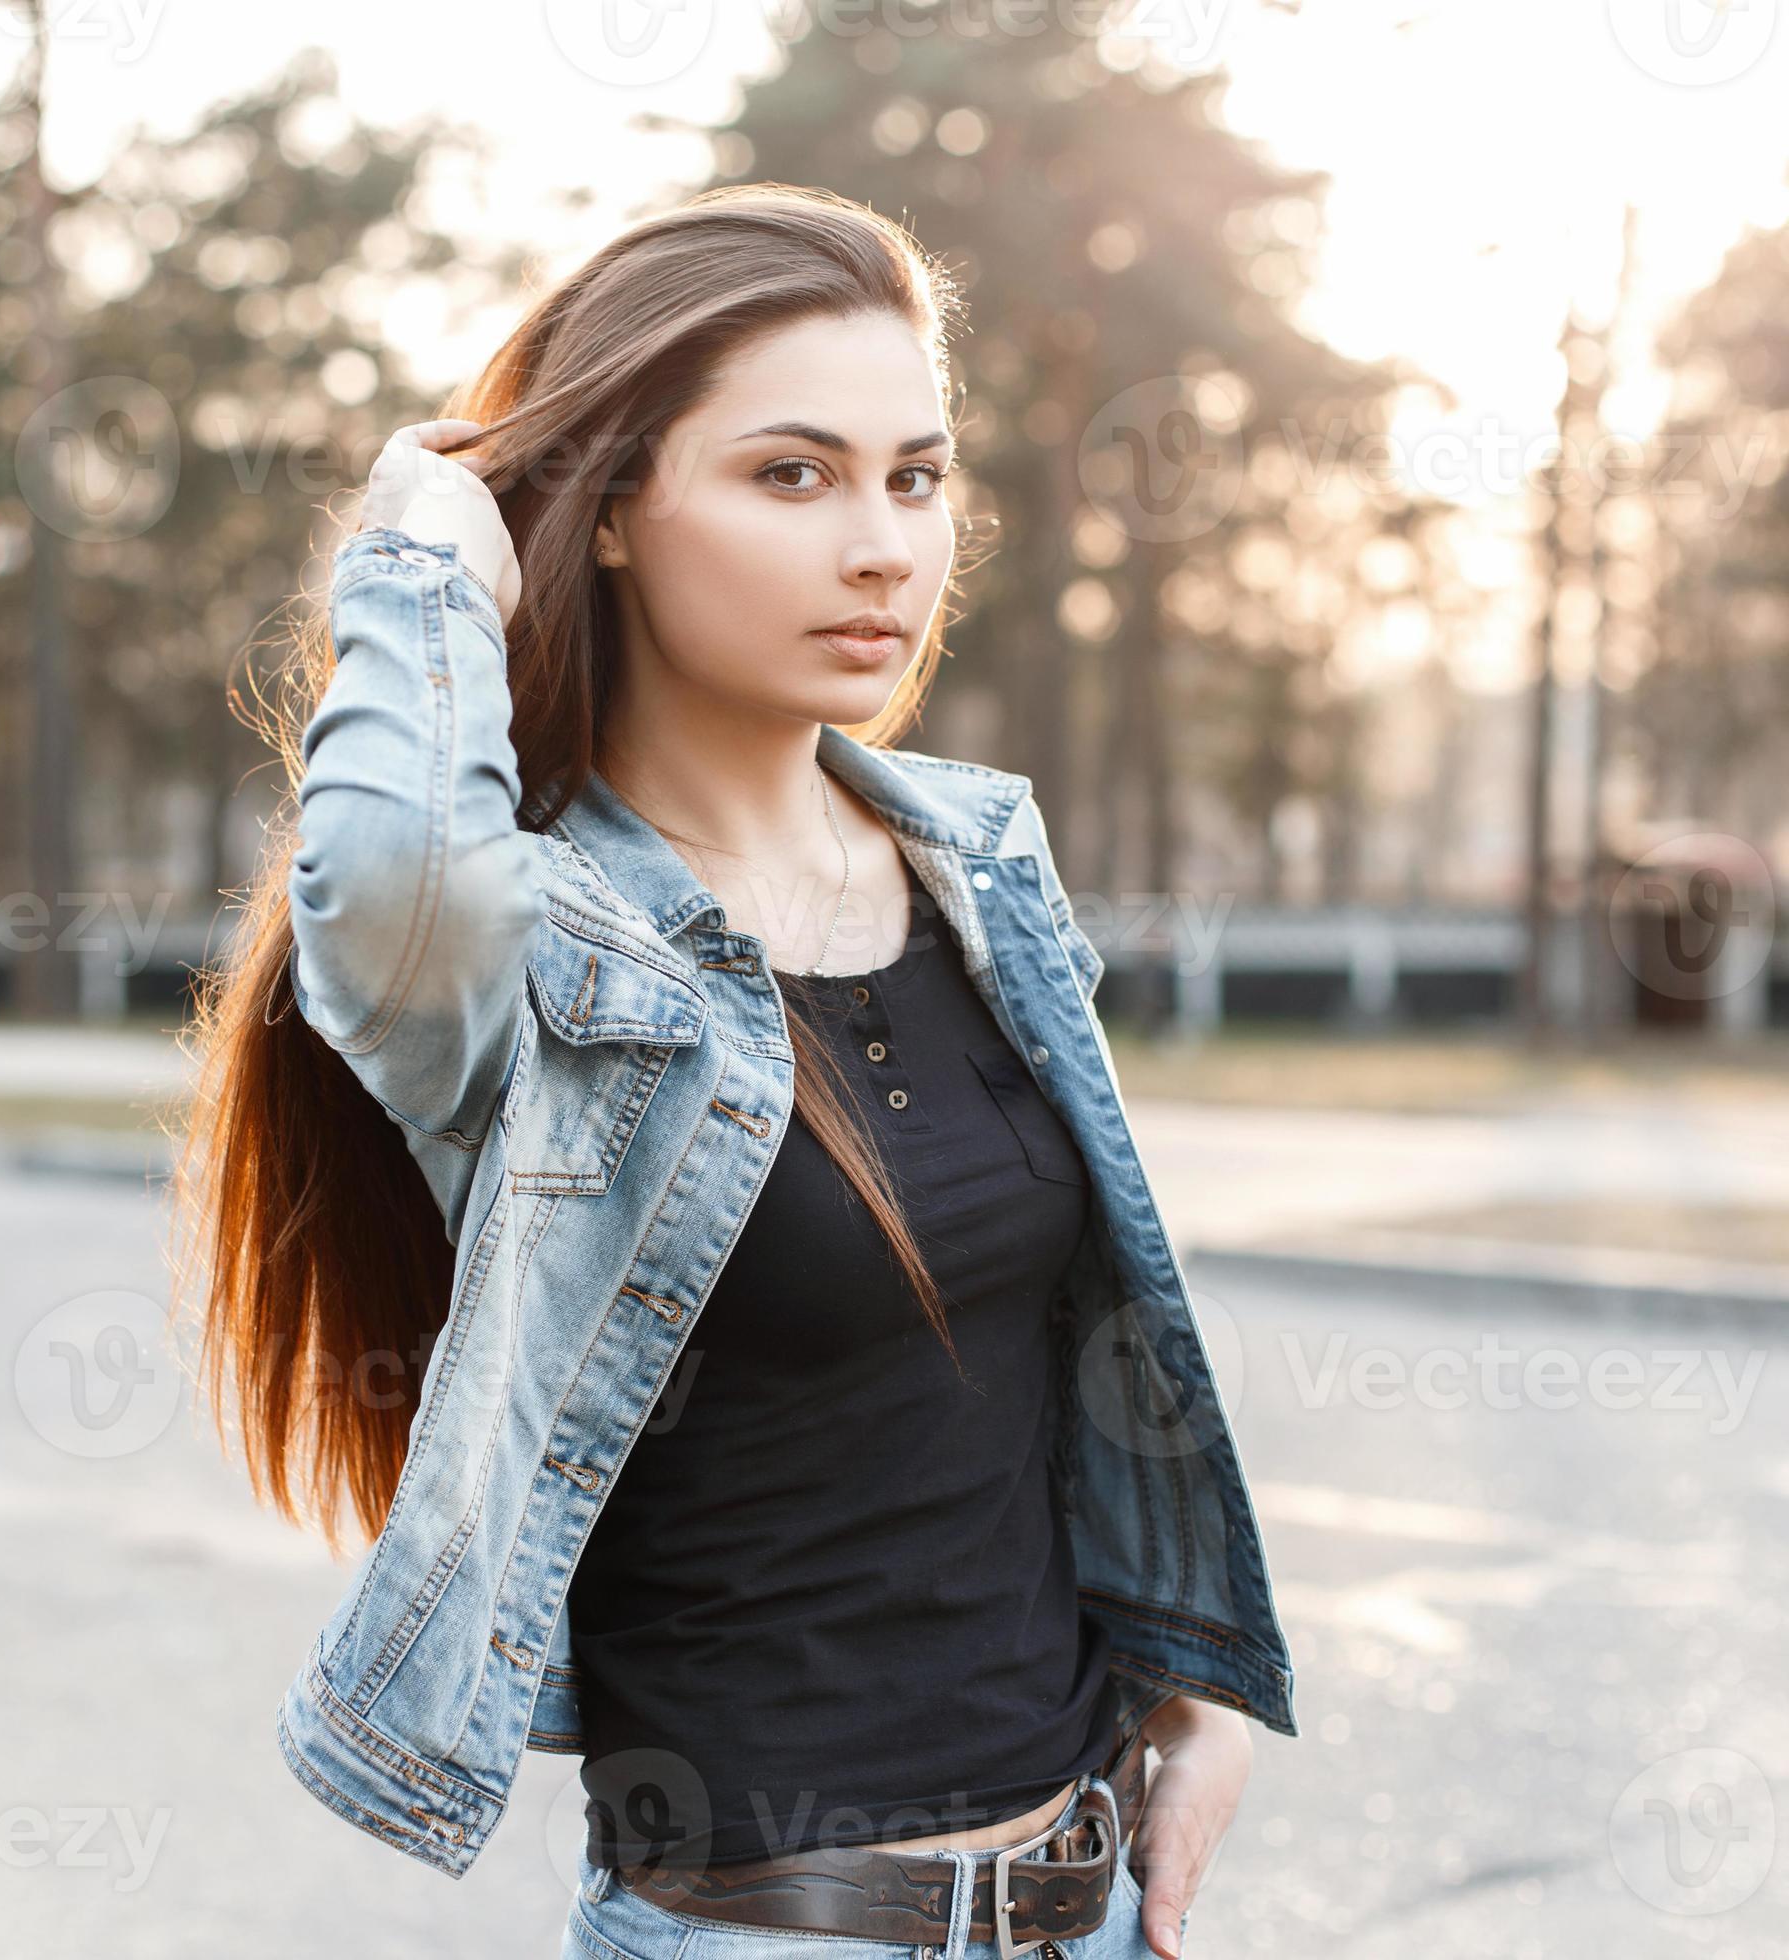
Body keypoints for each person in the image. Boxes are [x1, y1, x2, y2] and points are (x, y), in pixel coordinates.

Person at [170, 183, 1296, 1960]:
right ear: (610, 512)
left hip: (1090, 1908)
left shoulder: (981, 869)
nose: (884, 548)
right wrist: (420, 543)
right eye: (792, 475)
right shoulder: (538, 947)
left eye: (915, 477)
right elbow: (389, 883)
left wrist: (1193, 1679)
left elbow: (1036, 1370)